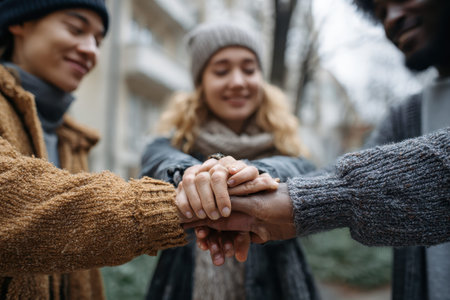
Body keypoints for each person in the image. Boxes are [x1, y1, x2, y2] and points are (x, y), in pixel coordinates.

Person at [189, 1, 450, 299]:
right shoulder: (407, 115)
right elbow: (330, 173)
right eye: (379, 12)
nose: (391, 19)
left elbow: (311, 174)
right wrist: (252, 188)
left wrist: (282, 194)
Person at [0, 1, 189, 299]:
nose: (91, 50)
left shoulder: (71, 139)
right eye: (76, 29)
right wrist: (178, 205)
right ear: (19, 22)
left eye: (99, 41)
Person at [140, 23, 319, 300]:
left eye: (249, 69)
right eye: (221, 71)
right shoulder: (169, 144)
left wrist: (250, 174)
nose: (237, 81)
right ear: (201, 83)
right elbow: (160, 162)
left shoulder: (286, 147)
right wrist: (196, 175)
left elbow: (300, 169)